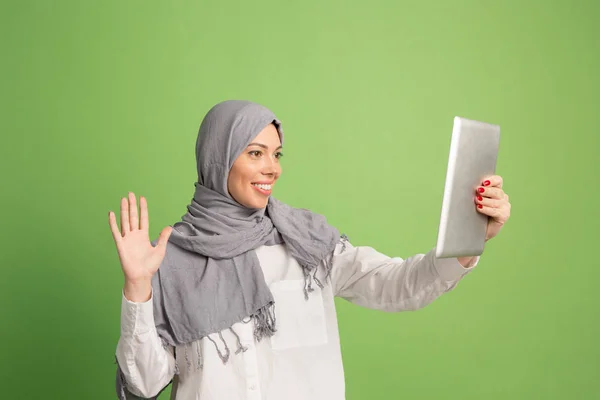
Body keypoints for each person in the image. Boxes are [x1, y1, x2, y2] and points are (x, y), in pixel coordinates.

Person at [109, 100, 511, 400]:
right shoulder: (170, 258)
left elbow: (396, 285)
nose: (273, 168)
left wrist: (468, 238)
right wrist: (137, 288)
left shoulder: (307, 242)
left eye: (276, 154)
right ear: (218, 159)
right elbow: (144, 384)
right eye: (255, 153)